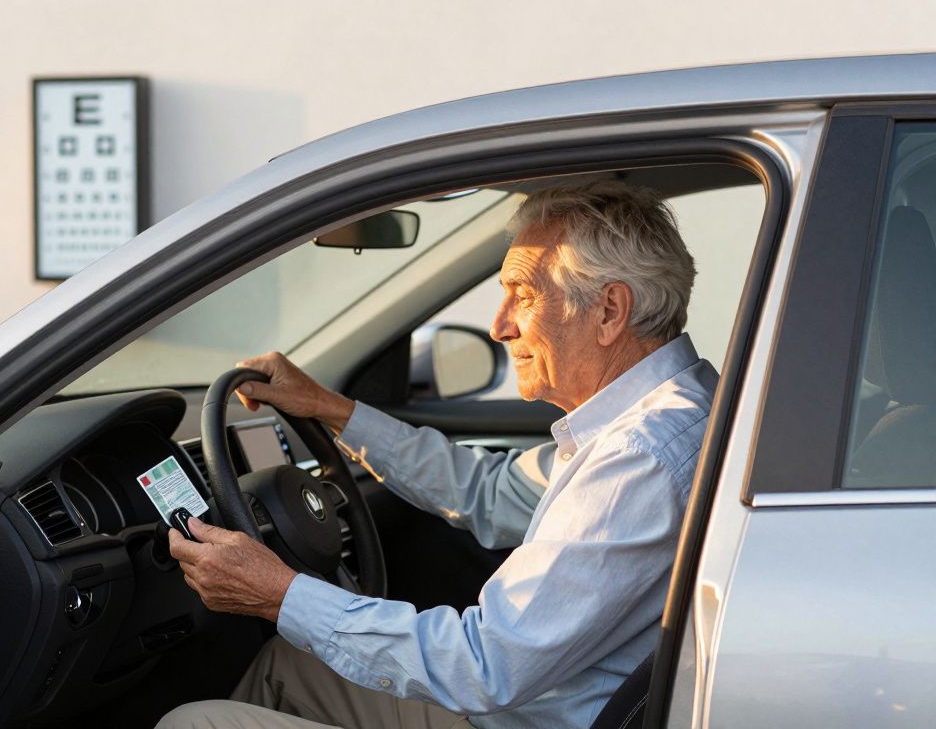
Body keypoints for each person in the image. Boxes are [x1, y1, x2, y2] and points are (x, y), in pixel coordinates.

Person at [158, 181, 718, 729]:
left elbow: (483, 666)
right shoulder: (678, 412)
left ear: (608, 312)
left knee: (192, 721)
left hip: (520, 712)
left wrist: (280, 594)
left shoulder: (635, 458)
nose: (499, 326)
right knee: (290, 666)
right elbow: (491, 493)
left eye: (523, 295)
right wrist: (329, 408)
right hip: (531, 707)